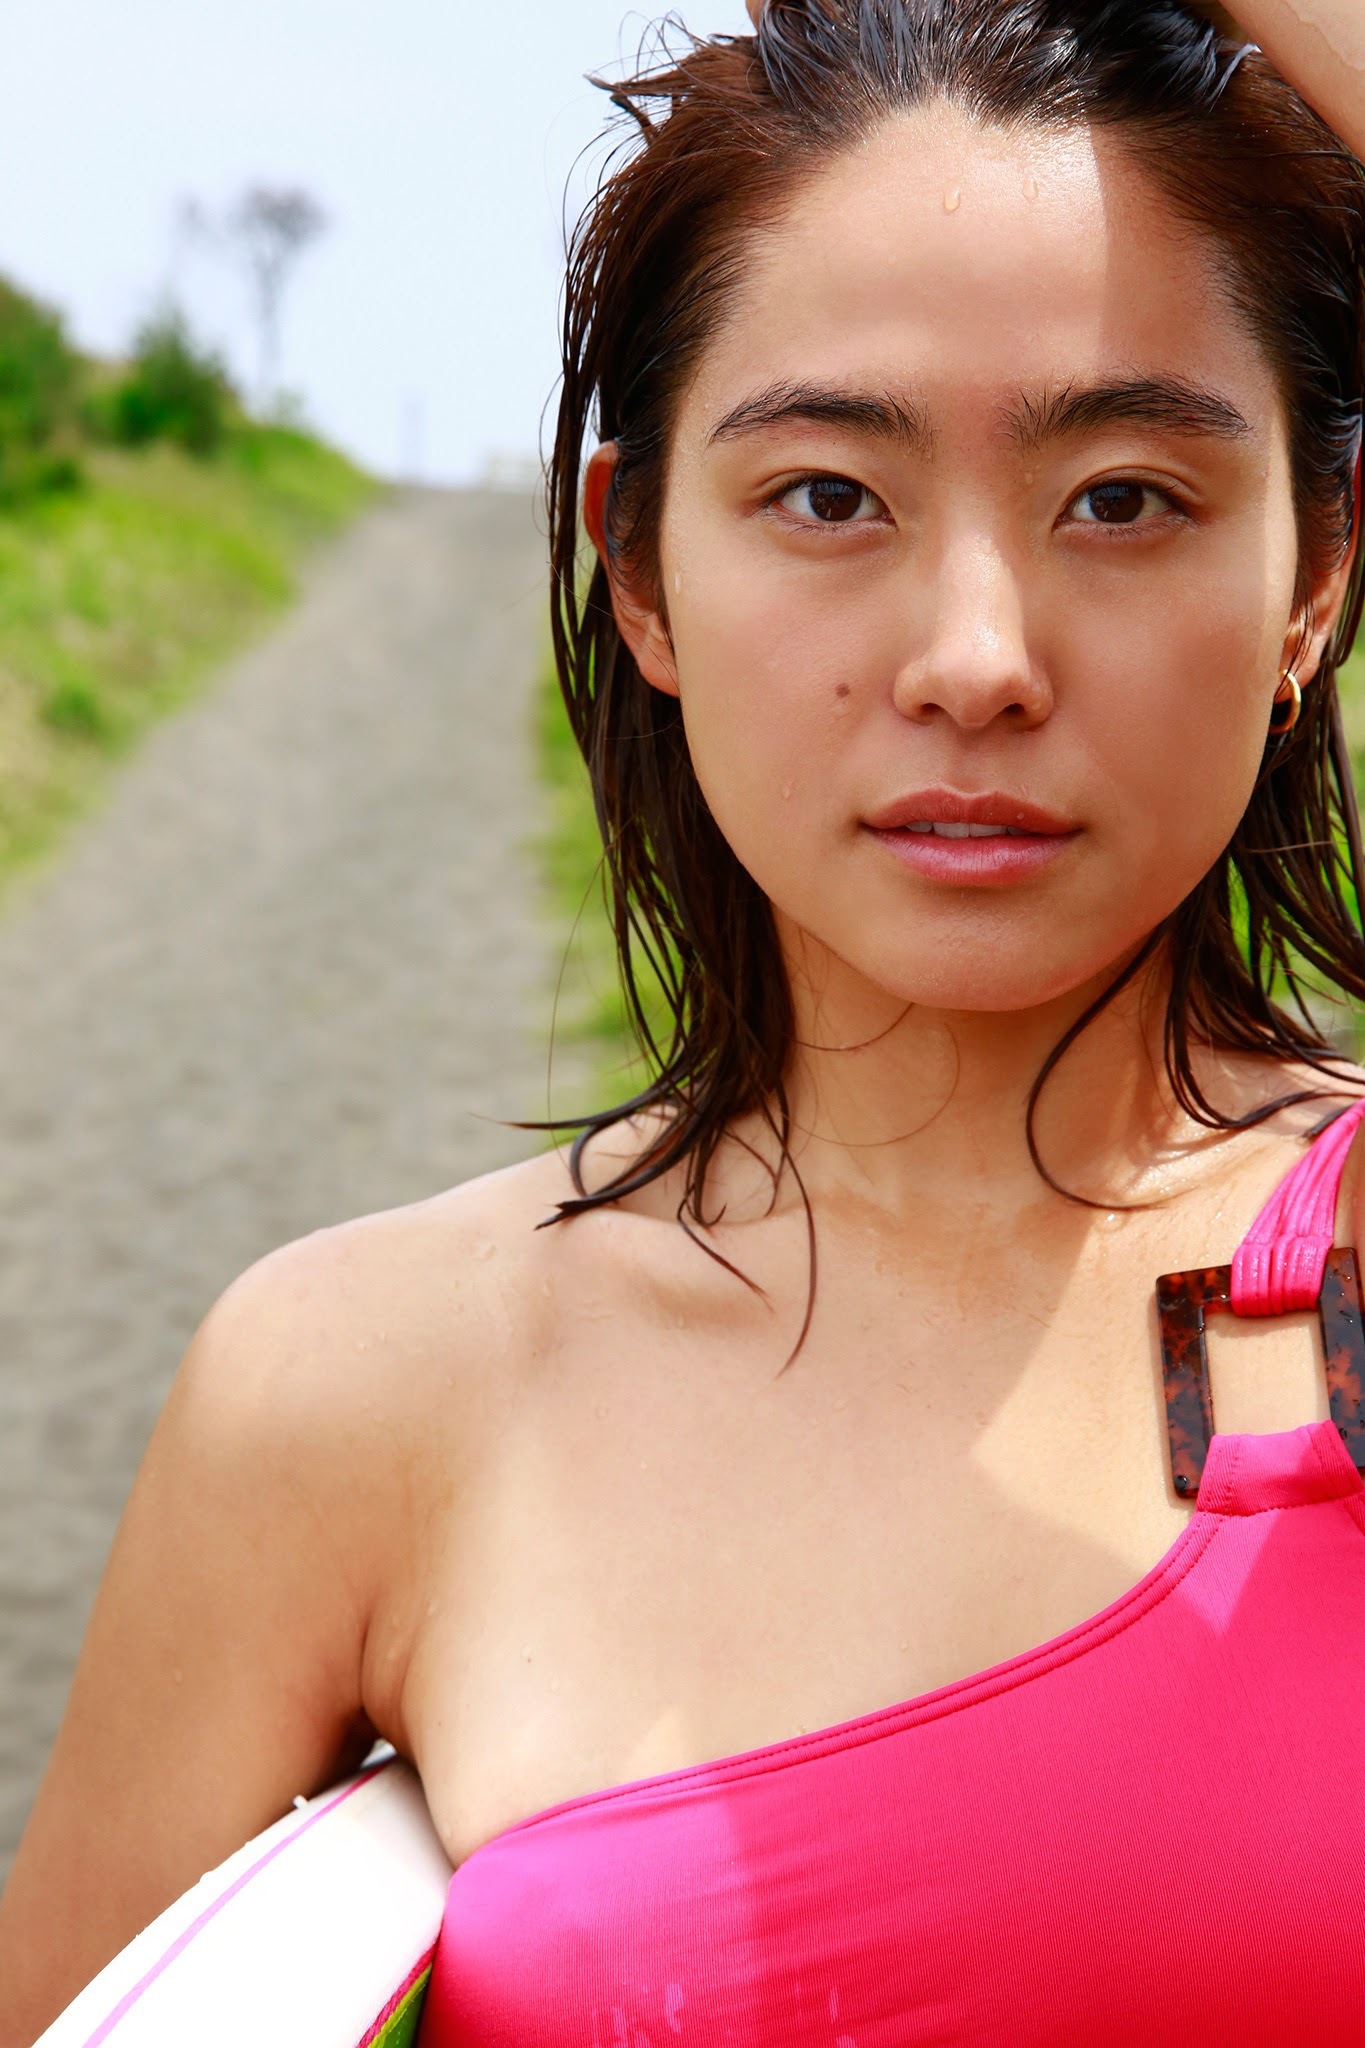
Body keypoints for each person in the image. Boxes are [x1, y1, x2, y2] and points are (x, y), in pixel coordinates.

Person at [6, 0, 1365, 2038]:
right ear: (635, 570)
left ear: (1313, 575)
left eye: (1120, 498)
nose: (975, 657)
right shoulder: (357, 1396)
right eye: (826, 495)